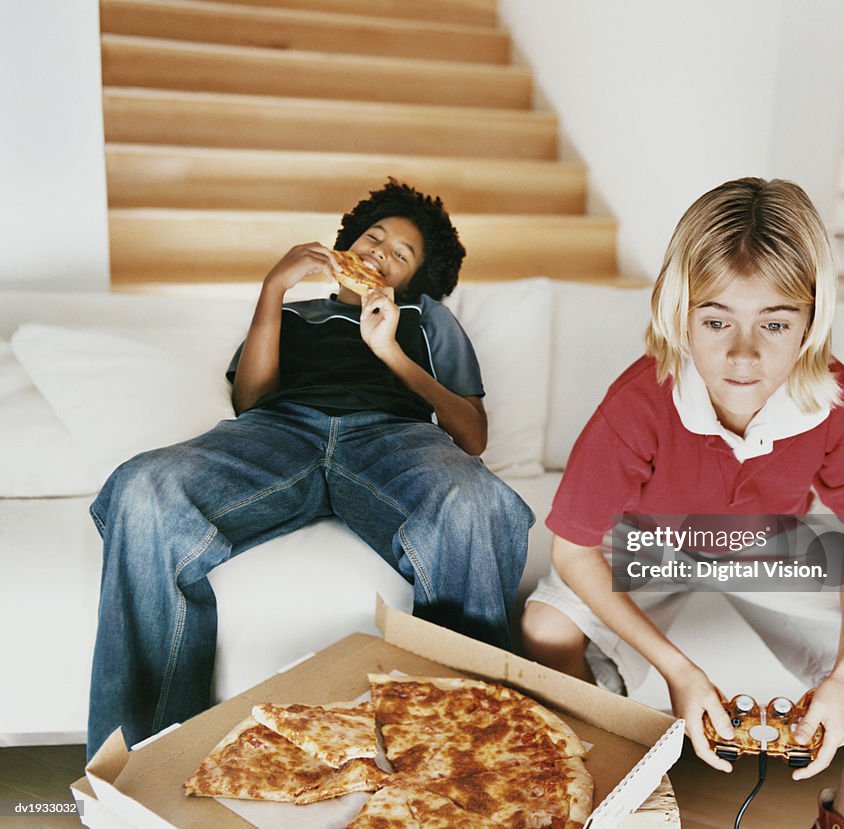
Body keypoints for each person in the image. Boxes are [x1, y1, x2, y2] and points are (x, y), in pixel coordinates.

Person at [520, 178, 844, 829]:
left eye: (774, 323)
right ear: (681, 310)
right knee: (546, 626)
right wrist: (678, 670)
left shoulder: (837, 398)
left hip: (766, 547)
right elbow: (574, 549)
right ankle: (591, 797)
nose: (744, 354)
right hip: (649, 548)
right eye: (717, 321)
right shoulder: (639, 400)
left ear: (811, 320)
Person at [86, 180, 533, 759]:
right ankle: (144, 767)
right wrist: (274, 287)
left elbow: (471, 437)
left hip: (392, 439)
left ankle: (458, 762)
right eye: (375, 238)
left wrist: (390, 349)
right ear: (346, 242)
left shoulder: (427, 321)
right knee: (144, 487)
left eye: (402, 254)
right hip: (279, 432)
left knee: (476, 503)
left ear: (416, 279)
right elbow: (251, 398)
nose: (380, 252)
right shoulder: (295, 312)